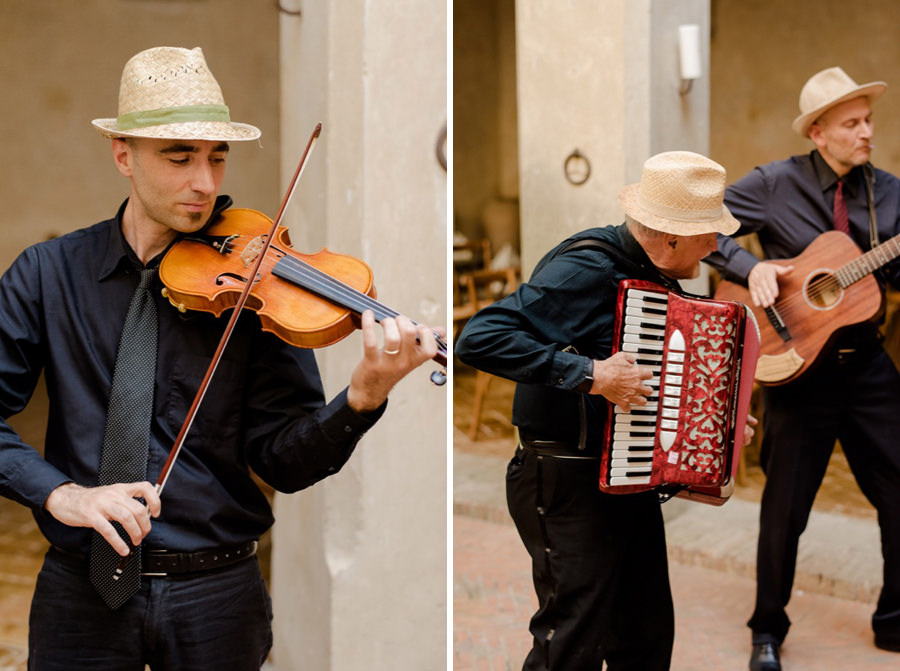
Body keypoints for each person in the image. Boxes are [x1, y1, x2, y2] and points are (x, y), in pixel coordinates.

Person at [0, 46, 441, 670]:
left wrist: (363, 398)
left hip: (216, 594)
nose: (205, 183)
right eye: (179, 158)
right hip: (81, 589)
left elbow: (284, 463)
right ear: (123, 154)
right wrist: (62, 494)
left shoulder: (260, 285)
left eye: (217, 157)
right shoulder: (47, 276)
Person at [456, 150, 753, 671]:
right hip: (564, 480)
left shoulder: (653, 274)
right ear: (671, 238)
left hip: (625, 479)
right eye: (710, 235)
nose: (717, 246)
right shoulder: (587, 268)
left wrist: (715, 424)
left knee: (644, 638)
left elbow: (661, 379)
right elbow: (481, 338)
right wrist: (592, 376)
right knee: (570, 647)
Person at [705, 66, 900, 671]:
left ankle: (894, 620)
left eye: (869, 120)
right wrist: (748, 266)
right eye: (853, 123)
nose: (867, 131)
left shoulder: (891, 192)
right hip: (796, 369)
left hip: (867, 367)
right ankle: (767, 631)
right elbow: (704, 223)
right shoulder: (773, 183)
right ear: (819, 132)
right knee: (785, 510)